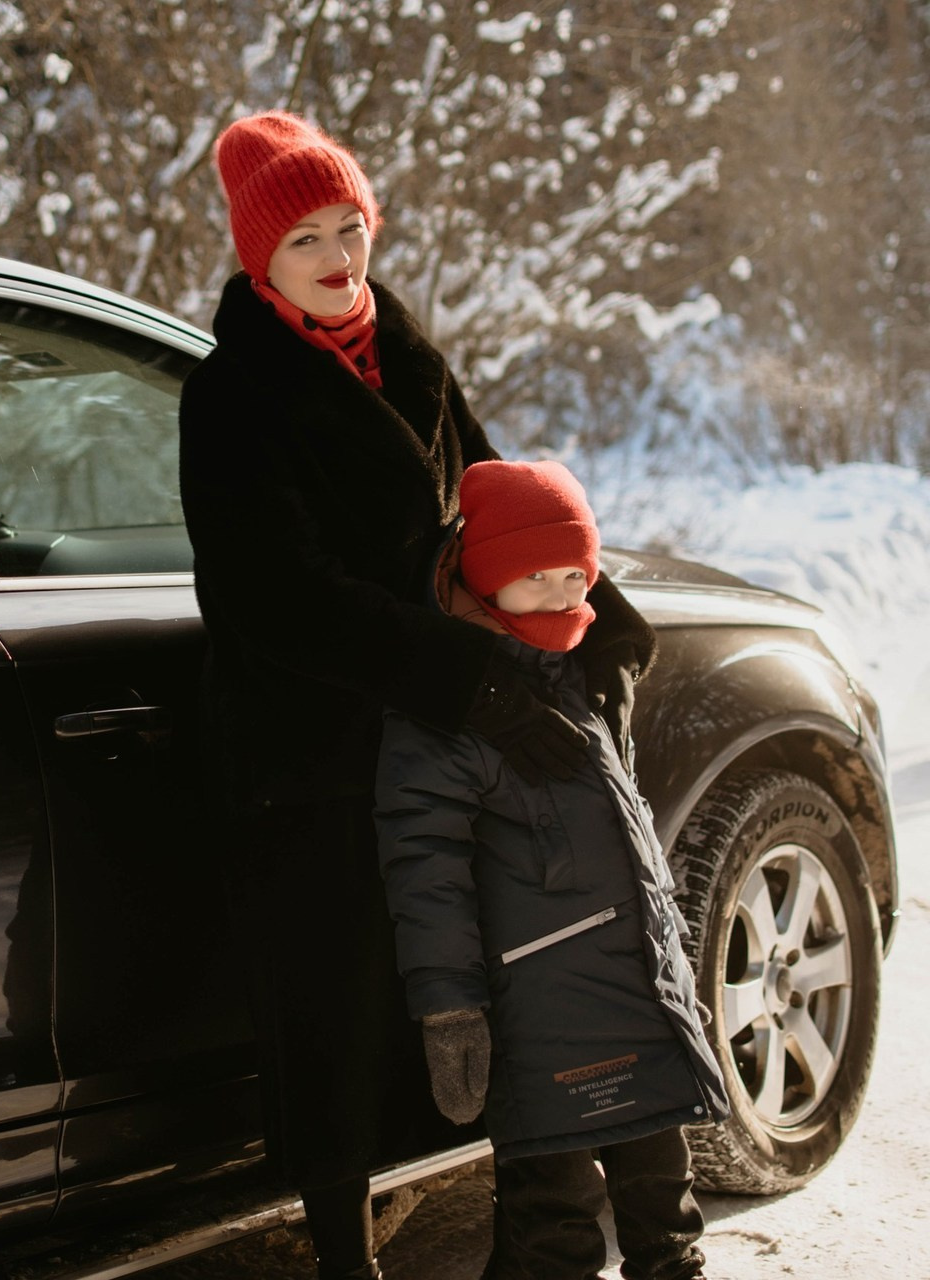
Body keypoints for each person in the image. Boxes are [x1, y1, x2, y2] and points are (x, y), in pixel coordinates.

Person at [178, 111, 657, 1280]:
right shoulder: (230, 395)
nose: (341, 259)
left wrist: (599, 619)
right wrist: (465, 676)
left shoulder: (408, 356)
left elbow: (492, 510)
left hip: (438, 734)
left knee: (492, 993)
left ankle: (531, 1242)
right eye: (307, 241)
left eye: (351, 228)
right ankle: (347, 1256)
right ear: (259, 258)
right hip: (315, 747)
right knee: (338, 1022)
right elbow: (275, 596)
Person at [374, 459, 730, 1280]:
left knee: (664, 1202)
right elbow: (424, 869)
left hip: (641, 996)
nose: (567, 600)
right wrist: (449, 1008)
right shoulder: (447, 712)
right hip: (541, 1018)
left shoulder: (582, 673)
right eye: (539, 580)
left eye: (579, 577)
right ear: (487, 580)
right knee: (551, 1220)